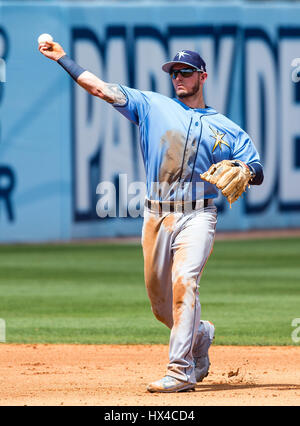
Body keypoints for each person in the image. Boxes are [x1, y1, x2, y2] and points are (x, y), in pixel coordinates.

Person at [39, 42, 264, 393]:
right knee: (162, 308)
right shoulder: (150, 104)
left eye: (185, 71)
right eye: (173, 71)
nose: (178, 76)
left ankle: (180, 371)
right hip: (156, 216)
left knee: (185, 283)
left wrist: (245, 169)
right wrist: (61, 58)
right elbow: (99, 87)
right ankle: (201, 334)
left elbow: (257, 167)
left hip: (198, 216)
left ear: (202, 76)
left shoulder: (227, 127)